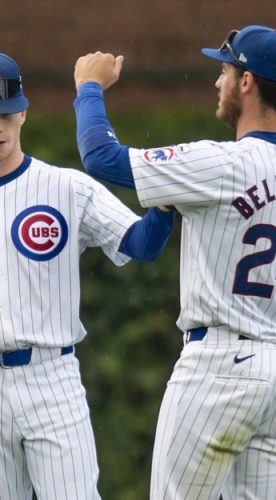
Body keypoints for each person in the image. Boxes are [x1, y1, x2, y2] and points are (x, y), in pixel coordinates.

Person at [0, 49, 175, 500]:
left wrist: (164, 204)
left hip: (52, 375)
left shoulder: (67, 187)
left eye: (5, 114)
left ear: (23, 112)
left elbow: (141, 246)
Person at [73, 24, 276, 500]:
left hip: (219, 366)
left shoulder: (223, 163)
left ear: (246, 81)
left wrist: (88, 87)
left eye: (224, 71)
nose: (216, 83)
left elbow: (100, 157)